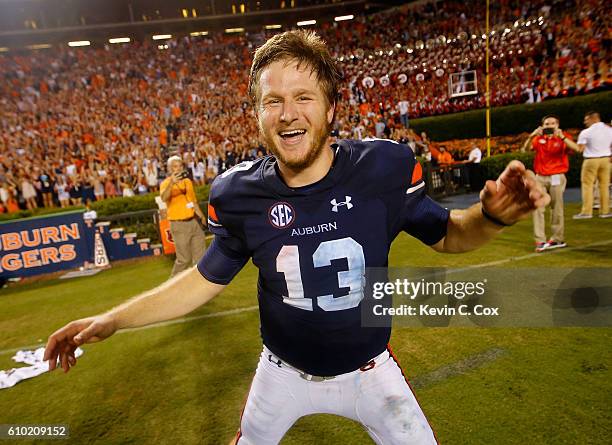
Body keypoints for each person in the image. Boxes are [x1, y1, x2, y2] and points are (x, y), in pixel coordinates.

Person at [44, 30, 549, 445]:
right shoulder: (239, 193)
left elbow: (450, 236)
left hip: (370, 372)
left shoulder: (382, 168)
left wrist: (491, 218)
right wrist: (113, 320)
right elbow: (203, 279)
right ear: (259, 116)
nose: (288, 113)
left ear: (331, 108)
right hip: (280, 374)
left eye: (303, 97)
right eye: (273, 101)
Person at [521, 115, 581, 251]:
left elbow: (577, 149)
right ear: (543, 126)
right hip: (540, 177)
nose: (550, 126)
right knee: (537, 207)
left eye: (553, 123)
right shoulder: (539, 138)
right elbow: (525, 149)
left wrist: (562, 138)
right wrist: (531, 136)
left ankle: (557, 239)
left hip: (556, 176)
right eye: (547, 123)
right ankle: (540, 241)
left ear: (558, 125)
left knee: (556, 208)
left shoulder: (563, 137)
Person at [159, 155, 207, 276]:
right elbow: (164, 198)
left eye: (180, 166)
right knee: (184, 259)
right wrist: (171, 183)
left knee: (200, 258)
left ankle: (200, 287)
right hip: (178, 225)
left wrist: (201, 216)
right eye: (175, 166)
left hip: (193, 222)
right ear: (170, 169)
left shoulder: (187, 182)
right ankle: (171, 287)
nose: (178, 169)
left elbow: (193, 201)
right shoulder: (165, 183)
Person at [573, 111, 612, 219]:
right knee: (604, 186)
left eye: (586, 119)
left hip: (591, 161)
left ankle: (587, 212)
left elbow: (580, 149)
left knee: (587, 186)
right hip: (606, 160)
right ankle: (605, 211)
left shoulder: (586, 132)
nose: (585, 122)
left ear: (593, 119)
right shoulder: (609, 130)